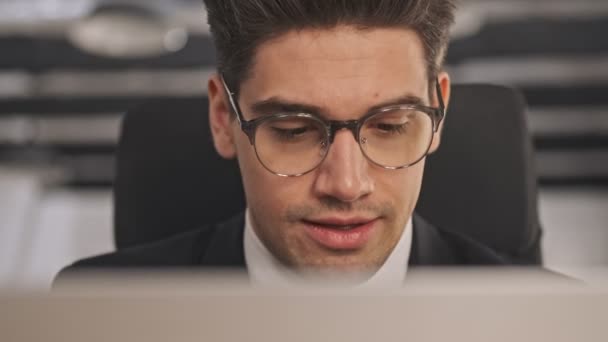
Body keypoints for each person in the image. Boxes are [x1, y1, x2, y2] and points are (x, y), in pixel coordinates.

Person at [58, 0, 509, 286]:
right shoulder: (92, 315)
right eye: (294, 130)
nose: (347, 185)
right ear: (223, 119)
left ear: (438, 113)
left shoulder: (544, 324)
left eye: (390, 126)